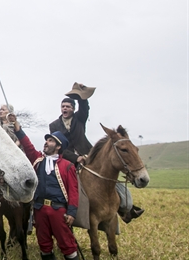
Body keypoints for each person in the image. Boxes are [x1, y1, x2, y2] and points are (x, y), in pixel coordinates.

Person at [50, 83, 143, 222]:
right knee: (59, 180)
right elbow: (60, 147)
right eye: (63, 106)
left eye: (68, 106)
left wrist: (81, 95)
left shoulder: (79, 118)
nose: (65, 108)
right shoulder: (54, 125)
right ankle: (62, 208)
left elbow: (84, 108)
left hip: (89, 154)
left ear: (73, 109)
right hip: (68, 158)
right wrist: (76, 158)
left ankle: (126, 207)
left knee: (107, 174)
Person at [9, 114, 82, 260]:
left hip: (59, 211)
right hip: (40, 209)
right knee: (43, 242)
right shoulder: (38, 160)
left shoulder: (67, 166)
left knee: (66, 243)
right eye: (46, 140)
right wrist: (18, 128)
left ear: (58, 146)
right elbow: (28, 146)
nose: (46, 143)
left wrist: (71, 212)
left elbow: (73, 191)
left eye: (50, 141)